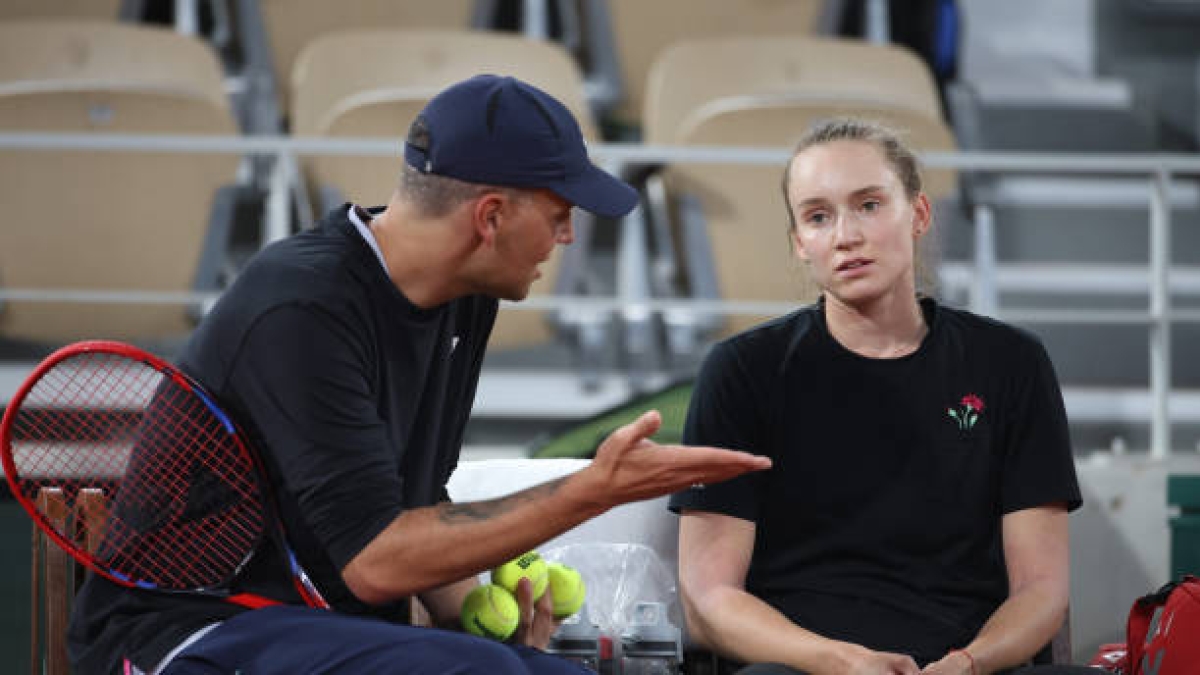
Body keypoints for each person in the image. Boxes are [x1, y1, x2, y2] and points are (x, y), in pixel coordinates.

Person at [67, 74, 771, 675]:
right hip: (180, 633)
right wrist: (592, 489)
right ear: (490, 216)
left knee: (548, 667)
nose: (567, 237)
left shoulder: (467, 295)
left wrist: (469, 609)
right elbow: (378, 561)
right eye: (559, 214)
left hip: (311, 625)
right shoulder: (299, 306)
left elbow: (418, 500)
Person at [669, 118, 1092, 675]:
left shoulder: (1011, 362)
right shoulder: (743, 369)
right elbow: (708, 600)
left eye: (869, 204)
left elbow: (1040, 591)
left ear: (918, 214)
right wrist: (838, 661)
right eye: (818, 217)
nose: (846, 235)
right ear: (800, 243)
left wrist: (966, 664)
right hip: (801, 665)